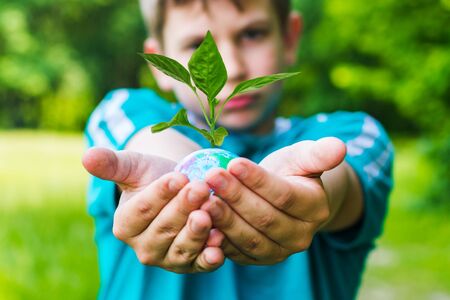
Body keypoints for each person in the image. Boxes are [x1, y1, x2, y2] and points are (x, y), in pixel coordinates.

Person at [82, 0, 394, 299]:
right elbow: (149, 144)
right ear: (160, 62)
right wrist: (176, 179)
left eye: (252, 34)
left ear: (289, 38)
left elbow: (338, 182)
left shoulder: (355, 133)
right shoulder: (122, 110)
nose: (231, 68)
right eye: (196, 45)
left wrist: (309, 194)